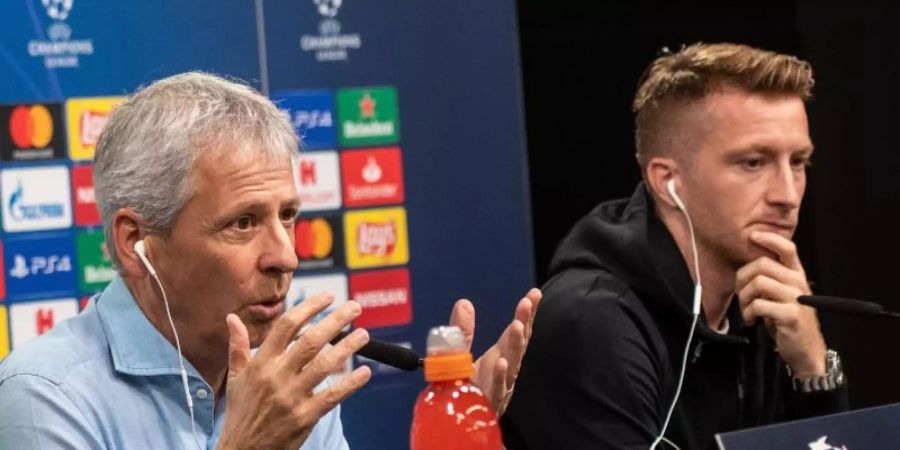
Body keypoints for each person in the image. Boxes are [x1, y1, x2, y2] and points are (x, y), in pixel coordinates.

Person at [0, 72, 542, 449]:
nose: (286, 255)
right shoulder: (45, 398)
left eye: (288, 216)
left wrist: (458, 437)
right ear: (136, 242)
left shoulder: (284, 377)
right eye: (243, 223)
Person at [501, 43, 848, 450]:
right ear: (668, 182)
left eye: (798, 162)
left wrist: (812, 368)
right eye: (754, 162)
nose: (788, 195)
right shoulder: (592, 323)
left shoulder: (766, 302)